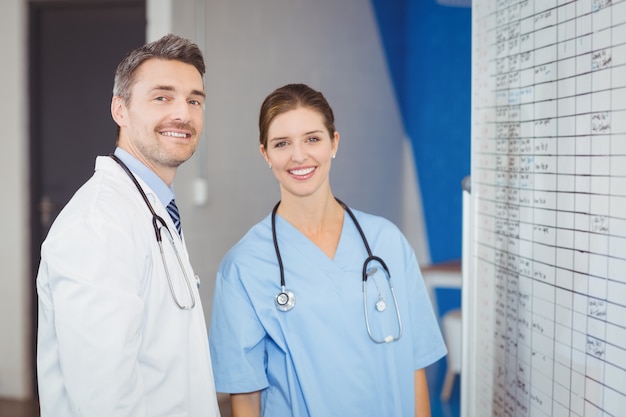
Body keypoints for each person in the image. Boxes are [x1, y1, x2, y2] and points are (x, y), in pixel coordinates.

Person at [209, 83, 447, 416]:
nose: (298, 155)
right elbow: (245, 397)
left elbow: (415, 362)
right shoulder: (244, 266)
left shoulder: (386, 242)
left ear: (334, 143)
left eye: (312, 138)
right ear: (265, 154)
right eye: (282, 144)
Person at [36, 34, 220, 417]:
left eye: (194, 100)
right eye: (162, 97)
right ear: (120, 110)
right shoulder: (98, 224)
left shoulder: (152, 209)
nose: (183, 114)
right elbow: (103, 399)